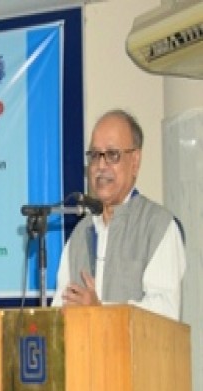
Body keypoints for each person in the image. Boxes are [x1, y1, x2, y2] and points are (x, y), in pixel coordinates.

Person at [52, 110, 186, 321]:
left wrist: (100, 310)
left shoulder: (158, 226)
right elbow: (59, 309)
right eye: (95, 155)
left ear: (135, 161)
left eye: (112, 155)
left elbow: (165, 312)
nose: (101, 166)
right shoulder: (78, 235)